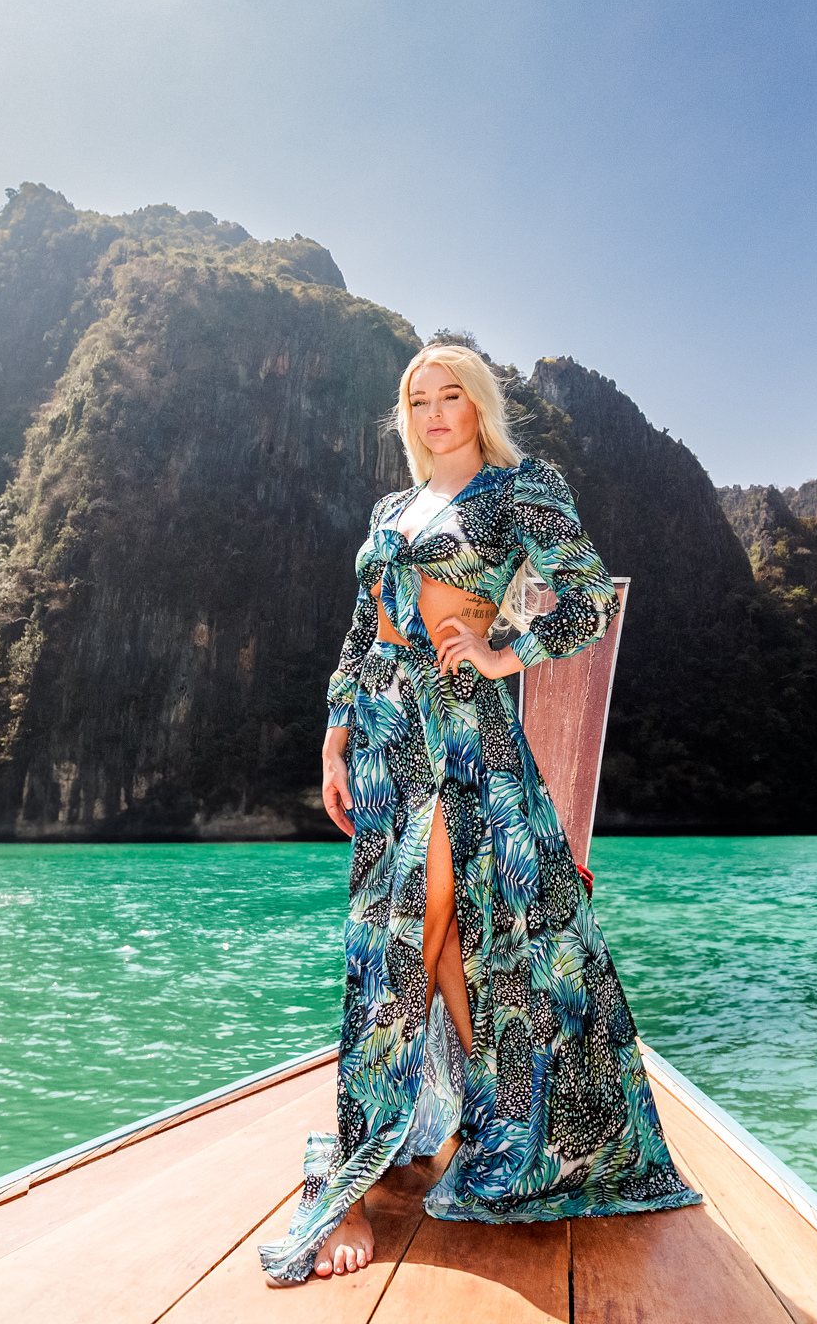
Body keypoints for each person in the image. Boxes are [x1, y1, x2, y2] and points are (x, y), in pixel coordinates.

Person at [257, 341, 701, 1287]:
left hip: (461, 732)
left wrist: (507, 650)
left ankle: (360, 1177)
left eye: (449, 394)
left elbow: (585, 595)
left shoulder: (520, 486)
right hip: (383, 733)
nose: (432, 412)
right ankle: (494, 1124)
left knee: (411, 935)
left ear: (479, 403)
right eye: (416, 399)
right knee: (437, 936)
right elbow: (361, 621)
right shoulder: (390, 510)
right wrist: (336, 732)